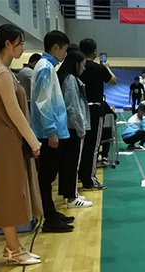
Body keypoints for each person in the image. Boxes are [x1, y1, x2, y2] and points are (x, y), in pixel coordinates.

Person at [0, 24, 43, 264]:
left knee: (13, 191)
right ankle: (13, 248)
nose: (22, 48)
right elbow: (14, 112)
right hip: (7, 140)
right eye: (19, 44)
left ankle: (13, 246)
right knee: (9, 193)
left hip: (10, 139)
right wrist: (33, 140)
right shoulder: (0, 73)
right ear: (8, 45)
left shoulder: (4, 71)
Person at [31, 30, 73, 233]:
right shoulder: (45, 68)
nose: (65, 54)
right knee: (46, 177)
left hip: (54, 130)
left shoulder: (47, 67)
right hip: (49, 132)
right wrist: (51, 131)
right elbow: (43, 101)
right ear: (55, 48)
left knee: (48, 176)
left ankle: (52, 214)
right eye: (64, 50)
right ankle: (49, 219)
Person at [79, 38, 116, 190]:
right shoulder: (99, 68)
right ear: (94, 52)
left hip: (79, 110)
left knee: (81, 146)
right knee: (93, 146)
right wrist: (107, 68)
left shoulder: (77, 68)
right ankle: (89, 179)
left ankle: (80, 176)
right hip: (94, 110)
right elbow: (113, 81)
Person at [58, 46, 92, 209]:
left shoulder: (65, 78)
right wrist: (80, 128)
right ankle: (72, 198)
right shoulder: (71, 79)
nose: (84, 68)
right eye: (83, 64)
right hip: (72, 128)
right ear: (76, 63)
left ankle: (69, 194)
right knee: (72, 164)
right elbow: (73, 107)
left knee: (67, 163)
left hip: (68, 128)